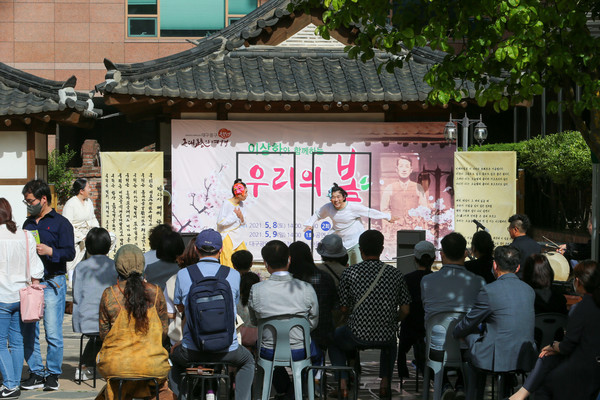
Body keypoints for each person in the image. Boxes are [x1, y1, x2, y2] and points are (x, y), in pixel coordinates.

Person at [170, 229, 255, 400]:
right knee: (248, 361)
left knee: (174, 359)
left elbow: (180, 307)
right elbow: (233, 304)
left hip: (192, 349)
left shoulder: (184, 274)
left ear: (195, 250)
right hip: (227, 349)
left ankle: (183, 396)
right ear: (221, 250)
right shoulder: (232, 274)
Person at [328, 230, 411, 399]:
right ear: (381, 249)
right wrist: (393, 320)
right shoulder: (395, 274)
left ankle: (343, 383)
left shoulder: (350, 272)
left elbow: (343, 308)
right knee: (390, 344)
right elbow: (405, 310)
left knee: (334, 339)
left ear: (360, 250)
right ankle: (384, 384)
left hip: (356, 334)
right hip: (385, 334)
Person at [507, 260, 600, 400]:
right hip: (589, 361)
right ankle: (520, 395)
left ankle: (520, 395)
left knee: (546, 372)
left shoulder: (580, 308)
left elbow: (568, 346)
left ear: (579, 281)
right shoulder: (562, 300)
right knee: (547, 359)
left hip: (581, 364)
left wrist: (554, 346)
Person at [453, 246, 537, 400]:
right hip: (524, 355)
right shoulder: (529, 290)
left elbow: (470, 321)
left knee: (469, 341)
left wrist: (456, 332)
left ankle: (472, 395)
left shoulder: (490, 290)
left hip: (499, 356)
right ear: (517, 267)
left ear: (494, 265)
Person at [96, 244, 173, 400]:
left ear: (117, 267)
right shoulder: (156, 292)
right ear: (142, 266)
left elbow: (104, 334)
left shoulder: (109, 294)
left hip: (116, 365)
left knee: (117, 377)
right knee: (161, 386)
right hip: (153, 364)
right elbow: (164, 332)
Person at [21, 179, 75, 391]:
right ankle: (35, 371)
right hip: (32, 283)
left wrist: (51, 252)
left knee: (52, 332)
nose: (28, 204)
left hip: (54, 281)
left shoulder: (61, 223)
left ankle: (53, 373)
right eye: (26, 201)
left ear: (43, 199)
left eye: (31, 200)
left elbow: (70, 252)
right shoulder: (28, 223)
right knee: (30, 330)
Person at [249, 240, 319, 399]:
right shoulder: (305, 288)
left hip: (268, 350)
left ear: (266, 263)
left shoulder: (257, 289)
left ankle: (284, 392)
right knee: (316, 352)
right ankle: (293, 394)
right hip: (299, 350)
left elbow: (254, 321)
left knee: (259, 349)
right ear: (289, 260)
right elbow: (313, 321)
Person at [421, 232, 485, 399]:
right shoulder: (479, 282)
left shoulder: (427, 281)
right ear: (465, 253)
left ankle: (444, 386)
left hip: (436, 348)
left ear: (441, 254)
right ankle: (462, 385)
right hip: (467, 348)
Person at [0, 198, 44, 399]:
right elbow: (37, 269)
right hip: (22, 297)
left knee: (0, 343)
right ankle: (13, 384)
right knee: (17, 343)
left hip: (2, 297)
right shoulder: (26, 236)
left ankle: (10, 385)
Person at [71, 227, 118, 382]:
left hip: (86, 319)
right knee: (108, 333)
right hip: (110, 321)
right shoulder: (114, 266)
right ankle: (108, 366)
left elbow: (77, 295)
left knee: (96, 336)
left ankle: (85, 366)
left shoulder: (80, 267)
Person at [304, 183, 392, 265]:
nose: (336, 200)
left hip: (355, 241)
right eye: (333, 197)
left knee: (358, 265)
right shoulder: (328, 207)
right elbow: (317, 214)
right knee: (343, 266)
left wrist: (388, 217)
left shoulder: (353, 207)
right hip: (341, 244)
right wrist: (309, 224)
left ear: (343, 196)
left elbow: (369, 212)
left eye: (338, 197)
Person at [289, 241, 337, 365]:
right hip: (322, 332)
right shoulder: (325, 277)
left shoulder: (289, 282)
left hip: (293, 335)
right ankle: (316, 378)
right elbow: (333, 305)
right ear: (309, 255)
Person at [397, 240, 435, 380]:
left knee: (402, 349)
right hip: (429, 327)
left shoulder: (406, 279)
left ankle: (403, 373)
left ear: (415, 258)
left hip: (410, 327)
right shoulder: (435, 279)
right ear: (433, 259)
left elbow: (403, 307)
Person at [62, 178, 100, 286]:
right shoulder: (70, 204)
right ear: (81, 191)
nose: (90, 189)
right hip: (75, 235)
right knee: (75, 259)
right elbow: (67, 225)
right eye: (88, 187)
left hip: (89, 232)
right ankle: (73, 281)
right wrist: (80, 237)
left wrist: (98, 230)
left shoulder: (89, 202)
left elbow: (93, 218)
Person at [164, 238, 199, 346]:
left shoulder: (173, 280)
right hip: (214, 340)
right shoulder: (220, 277)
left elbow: (170, 313)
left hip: (180, 339)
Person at [380, 156, 428, 225]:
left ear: (411, 170)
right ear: (397, 169)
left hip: (414, 228)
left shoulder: (418, 187)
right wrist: (394, 221)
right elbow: (384, 210)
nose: (404, 170)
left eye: (407, 167)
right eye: (401, 166)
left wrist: (417, 221)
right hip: (395, 228)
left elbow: (424, 209)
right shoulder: (389, 188)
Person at [217, 179, 249, 268]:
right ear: (238, 193)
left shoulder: (242, 205)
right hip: (227, 236)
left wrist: (240, 217)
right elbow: (220, 222)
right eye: (245, 192)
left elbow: (243, 222)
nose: (246, 195)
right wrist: (235, 216)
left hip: (237, 236)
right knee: (228, 259)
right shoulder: (227, 203)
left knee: (243, 257)